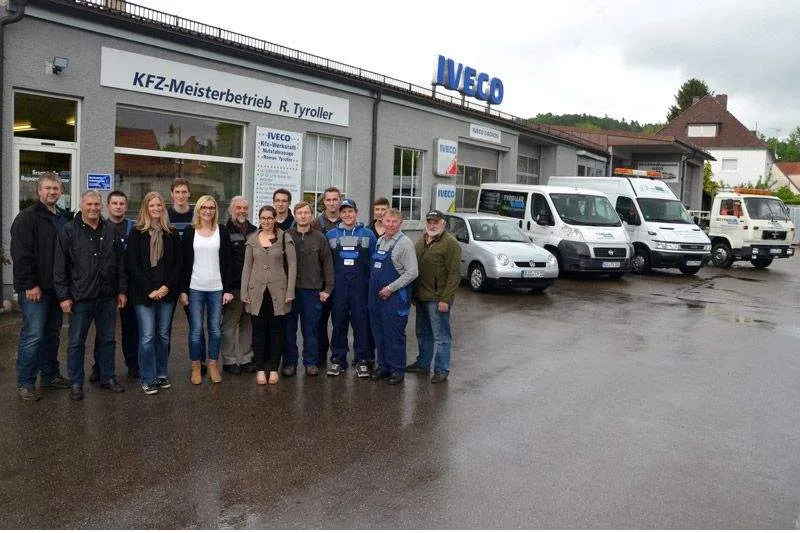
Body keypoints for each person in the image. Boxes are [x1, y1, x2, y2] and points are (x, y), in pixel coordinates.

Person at [54, 190, 128, 401]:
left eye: (96, 204)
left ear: (101, 206)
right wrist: (64, 296)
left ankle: (107, 377)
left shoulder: (110, 229)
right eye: (89, 204)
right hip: (80, 297)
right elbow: (60, 266)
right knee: (76, 342)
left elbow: (120, 263)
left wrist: (122, 290)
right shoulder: (69, 231)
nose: (93, 208)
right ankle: (76, 383)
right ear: (81, 205)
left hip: (107, 296)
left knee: (108, 340)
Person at [10, 172, 71, 401]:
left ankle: (50, 375)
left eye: (55, 188)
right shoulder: (27, 217)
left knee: (52, 334)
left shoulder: (62, 218)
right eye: (47, 188)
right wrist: (30, 284)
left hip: (57, 288)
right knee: (33, 335)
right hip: (35, 289)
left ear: (61, 191)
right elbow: (21, 254)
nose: (52, 192)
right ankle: (25, 382)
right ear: (39, 191)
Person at [126, 191, 183, 395]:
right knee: (148, 336)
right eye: (152, 205)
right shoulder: (137, 232)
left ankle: (161, 373)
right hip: (144, 293)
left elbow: (179, 264)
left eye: (159, 205)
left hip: (167, 292)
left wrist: (166, 287)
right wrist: (149, 289)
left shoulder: (172, 233)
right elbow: (132, 264)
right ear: (146, 208)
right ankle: (148, 378)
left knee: (164, 336)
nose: (156, 209)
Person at [180, 195, 234, 385]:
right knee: (196, 330)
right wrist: (183, 290)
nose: (208, 211)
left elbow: (228, 262)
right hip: (195, 287)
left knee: (215, 330)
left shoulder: (222, 231)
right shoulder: (190, 231)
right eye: (204, 207)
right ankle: (196, 366)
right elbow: (183, 263)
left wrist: (228, 289)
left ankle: (213, 365)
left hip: (217, 288)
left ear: (215, 210)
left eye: (211, 207)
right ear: (198, 209)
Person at [241, 205, 297, 385]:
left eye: (269, 218)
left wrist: (290, 291)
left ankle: (273, 368)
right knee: (258, 331)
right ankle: (259, 369)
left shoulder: (284, 238)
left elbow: (293, 266)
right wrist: (244, 291)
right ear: (259, 219)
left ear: (274, 219)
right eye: (263, 218)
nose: (266, 221)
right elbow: (247, 267)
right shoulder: (252, 239)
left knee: (276, 331)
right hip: (256, 291)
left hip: (278, 292)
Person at [407, 210, 461, 383]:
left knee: (441, 337)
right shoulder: (422, 240)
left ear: (443, 224)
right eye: (429, 222)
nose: (432, 225)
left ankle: (441, 369)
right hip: (421, 296)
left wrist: (445, 299)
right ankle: (423, 364)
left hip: (437, 299)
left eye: (436, 222)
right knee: (423, 333)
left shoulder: (450, 244)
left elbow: (454, 275)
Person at [89, 190, 139, 382]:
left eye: (121, 203)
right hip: (106, 287)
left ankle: (133, 365)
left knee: (130, 329)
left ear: (126, 206)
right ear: (108, 206)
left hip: (130, 287)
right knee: (103, 331)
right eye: (115, 203)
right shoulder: (100, 227)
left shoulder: (134, 228)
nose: (118, 207)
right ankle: (98, 367)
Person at [325, 199, 376, 377]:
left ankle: (362, 359)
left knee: (361, 323)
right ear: (340, 214)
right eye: (344, 211)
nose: (347, 214)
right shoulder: (331, 235)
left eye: (350, 211)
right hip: (339, 288)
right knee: (338, 323)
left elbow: (374, 262)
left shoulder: (368, 234)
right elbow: (326, 263)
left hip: (360, 288)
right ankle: (338, 360)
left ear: (356, 212)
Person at [283, 202, 334, 377]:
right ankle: (290, 362)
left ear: (311, 215)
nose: (303, 216)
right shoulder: (286, 236)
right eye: (299, 213)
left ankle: (310, 362)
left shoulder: (320, 238)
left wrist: (327, 289)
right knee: (289, 329)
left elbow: (328, 265)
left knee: (311, 329)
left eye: (306, 213)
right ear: (295, 215)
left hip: (312, 291)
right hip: (289, 291)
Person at [368, 208, 418, 385]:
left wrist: (391, 288)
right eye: (387, 221)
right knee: (379, 333)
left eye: (394, 221)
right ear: (382, 221)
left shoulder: (405, 243)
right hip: (376, 297)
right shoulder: (380, 240)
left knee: (394, 335)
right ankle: (383, 366)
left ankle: (397, 369)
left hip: (395, 298)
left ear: (400, 223)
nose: (390, 225)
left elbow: (412, 272)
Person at [220, 196, 257, 375]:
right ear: (231, 210)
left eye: (245, 208)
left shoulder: (255, 231)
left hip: (252, 286)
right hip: (233, 286)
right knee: (229, 325)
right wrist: (225, 288)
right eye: (238, 208)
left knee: (247, 324)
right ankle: (229, 360)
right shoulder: (224, 230)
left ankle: (245, 359)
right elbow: (223, 261)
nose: (242, 211)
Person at [312, 187, 342, 367]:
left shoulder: (346, 220)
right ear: (324, 202)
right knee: (319, 321)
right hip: (321, 281)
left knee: (339, 321)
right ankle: (320, 354)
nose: (332, 203)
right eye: (328, 200)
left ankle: (338, 356)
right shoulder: (315, 223)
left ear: (340, 201)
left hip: (342, 280)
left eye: (335, 199)